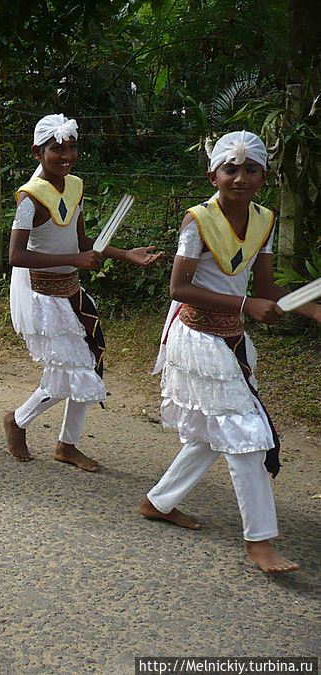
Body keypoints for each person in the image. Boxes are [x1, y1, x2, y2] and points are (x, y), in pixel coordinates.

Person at [139, 131, 321, 573]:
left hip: (232, 340)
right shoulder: (196, 222)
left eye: (251, 169)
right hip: (198, 340)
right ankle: (260, 541)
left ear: (264, 176)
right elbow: (178, 288)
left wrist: (311, 310)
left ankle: (158, 502)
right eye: (231, 169)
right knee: (245, 436)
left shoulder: (264, 220)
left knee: (210, 431)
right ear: (213, 174)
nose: (240, 178)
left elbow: (267, 288)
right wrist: (246, 306)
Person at [3, 113, 163, 471]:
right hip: (42, 295)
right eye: (56, 149)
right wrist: (76, 258)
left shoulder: (74, 186)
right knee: (68, 372)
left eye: (71, 147)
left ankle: (67, 445)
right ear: (37, 151)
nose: (66, 155)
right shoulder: (29, 198)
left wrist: (124, 255)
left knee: (86, 365)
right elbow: (16, 255)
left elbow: (82, 242)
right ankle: (18, 420)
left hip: (70, 290)